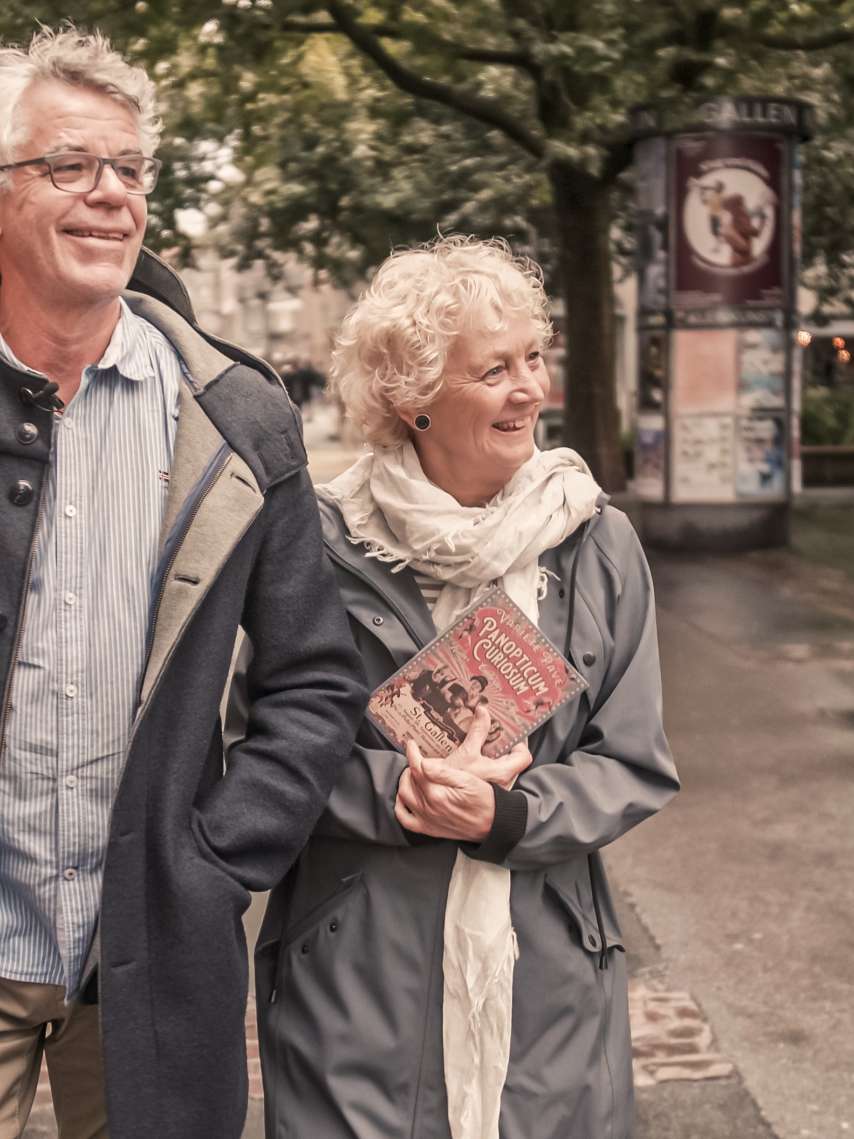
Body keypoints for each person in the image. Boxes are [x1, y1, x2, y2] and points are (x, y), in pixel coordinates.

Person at [0, 27, 365, 1139]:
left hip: (150, 959)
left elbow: (313, 679)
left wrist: (209, 861)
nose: (111, 195)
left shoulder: (238, 417)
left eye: (129, 170)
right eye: (70, 165)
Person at [252, 235, 679, 1139]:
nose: (530, 388)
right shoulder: (319, 545)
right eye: (494, 370)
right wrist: (396, 793)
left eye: (534, 358)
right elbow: (266, 746)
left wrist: (512, 815)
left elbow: (633, 760)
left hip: (548, 972)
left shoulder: (596, 544)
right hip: (359, 972)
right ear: (413, 401)